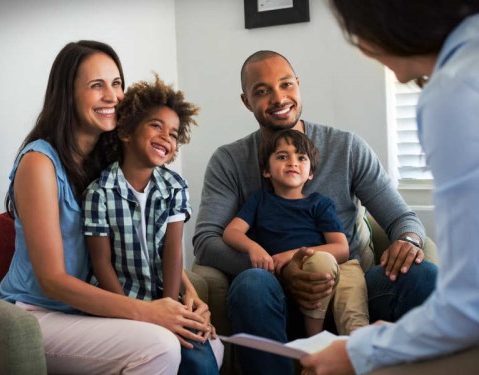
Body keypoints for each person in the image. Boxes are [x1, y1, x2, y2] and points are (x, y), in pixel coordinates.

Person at [193, 49, 438, 374]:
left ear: (298, 85)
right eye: (262, 91)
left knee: (422, 275)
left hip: (352, 286)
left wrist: (409, 241)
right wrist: (279, 269)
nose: (279, 98)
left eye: (285, 85)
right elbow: (207, 240)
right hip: (272, 293)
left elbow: (402, 219)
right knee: (252, 284)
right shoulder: (230, 161)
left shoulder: (347, 148)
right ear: (246, 101)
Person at [0, 40, 211, 374]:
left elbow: (145, 240)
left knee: (208, 344)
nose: (112, 96)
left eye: (116, 83)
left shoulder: (108, 163)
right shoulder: (39, 163)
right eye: (96, 85)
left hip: (86, 311)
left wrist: (186, 295)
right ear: (68, 94)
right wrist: (148, 312)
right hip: (35, 314)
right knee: (161, 346)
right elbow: (52, 280)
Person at [299, 1, 479, 374]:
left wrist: (365, 350)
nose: (362, 48)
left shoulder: (454, 90)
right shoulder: (233, 161)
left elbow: (467, 305)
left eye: (356, 32)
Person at [82, 76, 223, 373]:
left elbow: (173, 252)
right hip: (118, 303)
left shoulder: (175, 187)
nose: (165, 137)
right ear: (126, 131)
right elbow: (101, 263)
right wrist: (130, 313)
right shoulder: (99, 192)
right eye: (156, 126)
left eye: (173, 133)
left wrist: (171, 309)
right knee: (184, 353)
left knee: (200, 353)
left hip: (165, 298)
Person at [223, 129, 368, 337]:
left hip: (336, 267)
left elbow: (341, 249)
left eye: (301, 158)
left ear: (310, 173)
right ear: (266, 170)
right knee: (319, 263)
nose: (292, 162)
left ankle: (357, 350)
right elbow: (231, 232)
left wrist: (288, 255)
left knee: (351, 301)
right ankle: (313, 344)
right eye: (283, 156)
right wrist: (253, 248)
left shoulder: (319, 203)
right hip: (291, 274)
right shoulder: (259, 200)